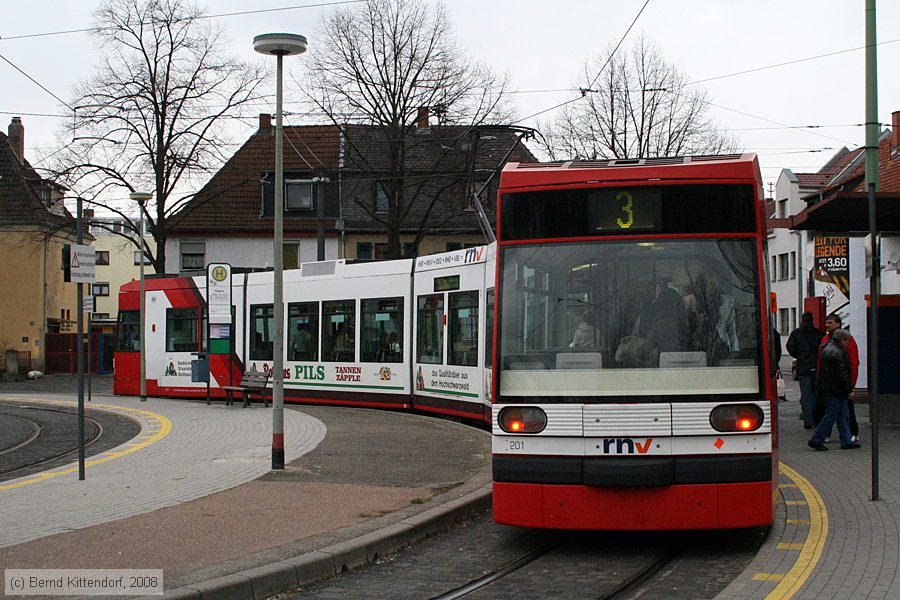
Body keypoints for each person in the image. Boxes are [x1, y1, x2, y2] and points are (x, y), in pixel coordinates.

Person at [808, 328, 860, 451]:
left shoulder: (827, 349)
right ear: (842, 340)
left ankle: (846, 440)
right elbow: (842, 374)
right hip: (836, 390)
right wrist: (849, 390)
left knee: (843, 414)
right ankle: (816, 439)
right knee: (831, 416)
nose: (848, 343)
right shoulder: (839, 353)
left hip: (829, 388)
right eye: (847, 340)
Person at [786, 312, 824, 428]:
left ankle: (808, 420)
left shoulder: (796, 333)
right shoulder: (819, 333)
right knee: (815, 393)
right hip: (816, 367)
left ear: (802, 319)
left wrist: (799, 355)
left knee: (805, 394)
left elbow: (790, 347)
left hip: (803, 367)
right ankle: (815, 416)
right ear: (812, 320)